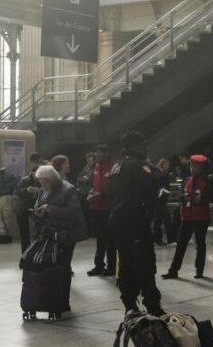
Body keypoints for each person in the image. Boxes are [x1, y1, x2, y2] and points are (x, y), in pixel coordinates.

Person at [109, 131, 165, 316]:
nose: (145, 148)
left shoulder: (116, 166)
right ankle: (153, 306)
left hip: (118, 220)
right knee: (145, 264)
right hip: (135, 221)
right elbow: (154, 184)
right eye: (143, 145)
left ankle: (129, 304)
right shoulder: (138, 166)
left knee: (125, 263)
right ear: (136, 147)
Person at [29, 164, 87, 318]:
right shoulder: (44, 190)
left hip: (66, 235)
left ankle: (63, 302)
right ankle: (50, 301)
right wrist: (38, 212)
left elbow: (73, 213)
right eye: (40, 181)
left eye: (44, 181)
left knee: (63, 267)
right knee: (49, 268)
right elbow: (39, 206)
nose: (42, 185)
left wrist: (51, 209)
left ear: (51, 179)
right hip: (47, 234)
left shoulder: (69, 190)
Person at [163, 154, 213, 280]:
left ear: (202, 168)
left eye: (196, 167)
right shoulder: (187, 180)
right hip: (187, 217)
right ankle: (173, 270)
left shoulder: (208, 182)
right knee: (181, 244)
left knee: (200, 244)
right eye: (191, 166)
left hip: (202, 218)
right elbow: (182, 196)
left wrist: (203, 198)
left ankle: (199, 270)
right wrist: (183, 198)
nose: (192, 169)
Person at [86, 144, 117, 276]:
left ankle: (111, 267)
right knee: (99, 239)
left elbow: (116, 190)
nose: (96, 156)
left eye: (98, 153)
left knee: (110, 239)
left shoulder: (114, 167)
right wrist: (91, 193)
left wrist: (102, 195)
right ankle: (99, 265)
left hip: (108, 209)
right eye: (96, 153)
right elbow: (95, 185)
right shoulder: (97, 167)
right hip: (96, 207)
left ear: (106, 154)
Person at [15, 153, 46, 253]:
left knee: (39, 229)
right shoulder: (25, 180)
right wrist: (26, 190)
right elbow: (17, 191)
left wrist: (40, 190)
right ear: (32, 173)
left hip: (36, 207)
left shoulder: (42, 181)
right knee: (24, 231)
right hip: (23, 208)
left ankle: (37, 249)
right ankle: (25, 251)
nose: (38, 178)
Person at [152, 156, 174, 245]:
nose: (168, 167)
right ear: (162, 165)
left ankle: (157, 239)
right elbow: (164, 188)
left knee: (158, 219)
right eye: (167, 165)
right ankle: (171, 239)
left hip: (156, 200)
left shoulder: (155, 174)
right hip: (160, 200)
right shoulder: (162, 175)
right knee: (167, 219)